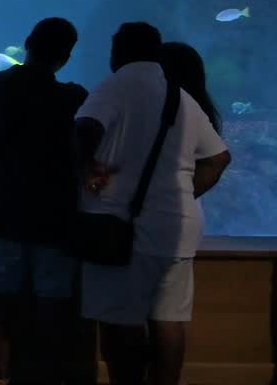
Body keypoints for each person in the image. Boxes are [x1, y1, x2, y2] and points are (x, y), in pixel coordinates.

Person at [74, 23, 232, 385]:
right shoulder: (180, 96)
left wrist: (85, 164)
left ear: (117, 53)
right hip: (178, 227)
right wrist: (181, 195)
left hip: (122, 225)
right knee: (169, 319)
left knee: (121, 319)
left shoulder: (116, 85)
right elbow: (219, 158)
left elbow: (85, 126)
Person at [0, 18, 88, 385]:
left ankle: (1, 375)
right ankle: (46, 372)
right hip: (56, 215)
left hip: (1, 207)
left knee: (1, 298)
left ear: (26, 44)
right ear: (66, 57)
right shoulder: (74, 98)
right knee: (53, 301)